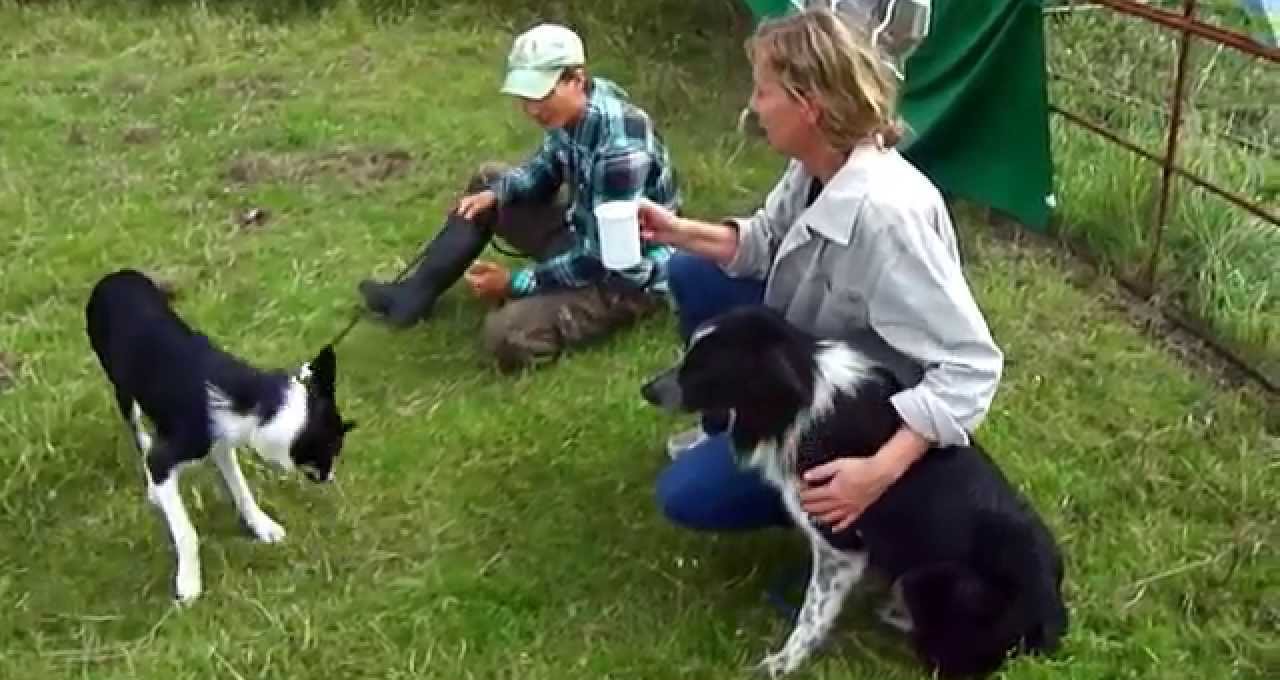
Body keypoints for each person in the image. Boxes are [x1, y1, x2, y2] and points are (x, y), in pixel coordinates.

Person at [637, 8, 1003, 533]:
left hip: (862, 405)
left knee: (689, 497)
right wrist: (675, 231)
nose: (753, 105)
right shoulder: (817, 163)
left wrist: (878, 470)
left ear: (808, 106)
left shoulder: (886, 216)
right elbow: (765, 240)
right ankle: (729, 414)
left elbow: (971, 366)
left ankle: (855, 511)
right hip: (815, 354)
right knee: (693, 270)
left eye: (763, 92)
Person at [358, 23, 680, 372]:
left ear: (575, 78)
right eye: (526, 97)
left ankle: (601, 317)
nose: (532, 109)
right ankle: (413, 296)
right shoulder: (575, 113)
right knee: (489, 180)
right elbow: (544, 169)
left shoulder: (619, 147)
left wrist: (515, 283)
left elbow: (602, 257)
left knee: (504, 334)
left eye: (541, 96)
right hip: (583, 233)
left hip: (624, 276)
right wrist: (495, 195)